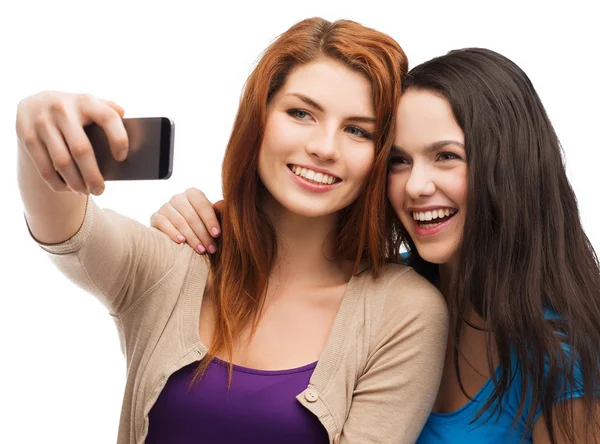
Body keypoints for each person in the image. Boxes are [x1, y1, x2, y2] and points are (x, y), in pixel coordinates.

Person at [17, 17, 448, 444]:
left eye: (357, 130)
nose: (324, 147)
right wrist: (37, 127)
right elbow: (69, 233)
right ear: (259, 120)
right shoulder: (173, 264)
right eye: (301, 113)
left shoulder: (404, 313)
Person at [152, 48, 600, 443]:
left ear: (511, 166)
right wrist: (211, 223)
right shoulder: (387, 296)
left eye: (446, 156)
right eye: (400, 161)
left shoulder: (561, 352)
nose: (416, 186)